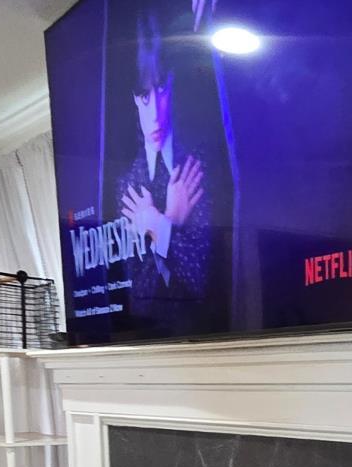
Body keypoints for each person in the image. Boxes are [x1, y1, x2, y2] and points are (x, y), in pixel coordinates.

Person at [118, 7, 216, 337]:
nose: (156, 112)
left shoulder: (198, 161)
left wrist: (155, 226)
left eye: (162, 89)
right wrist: (171, 221)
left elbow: (199, 284)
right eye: (144, 95)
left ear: (173, 84)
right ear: (134, 98)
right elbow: (141, 302)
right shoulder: (128, 186)